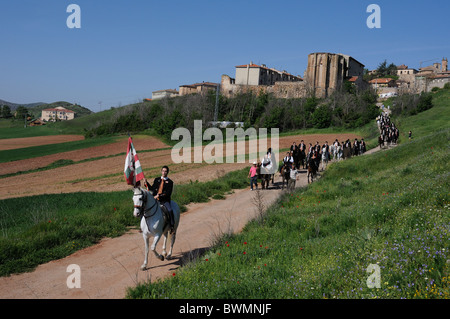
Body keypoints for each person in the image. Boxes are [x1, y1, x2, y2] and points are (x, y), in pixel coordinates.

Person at [146, 166, 175, 233]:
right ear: (161, 171)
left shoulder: (170, 182)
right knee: (145, 208)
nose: (164, 172)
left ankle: (172, 226)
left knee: (170, 210)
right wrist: (146, 182)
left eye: (165, 171)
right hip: (155, 200)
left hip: (164, 200)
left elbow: (168, 194)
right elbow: (152, 188)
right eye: (163, 171)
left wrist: (159, 196)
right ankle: (143, 226)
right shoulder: (157, 179)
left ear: (167, 172)